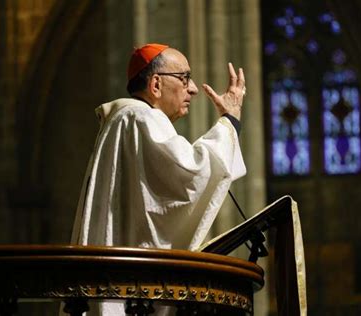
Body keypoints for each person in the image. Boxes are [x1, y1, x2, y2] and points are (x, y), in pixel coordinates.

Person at [69, 43, 247, 315]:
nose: (194, 88)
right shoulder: (140, 118)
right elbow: (190, 174)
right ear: (155, 85)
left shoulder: (127, 119)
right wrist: (230, 121)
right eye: (185, 78)